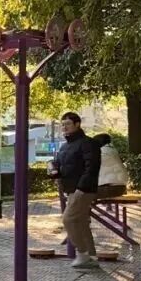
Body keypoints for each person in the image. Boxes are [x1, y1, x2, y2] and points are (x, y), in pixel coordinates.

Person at [48, 112, 101, 268]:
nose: (64, 127)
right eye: (63, 124)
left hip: (83, 190)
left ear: (77, 124)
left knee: (68, 219)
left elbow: (91, 168)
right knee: (81, 222)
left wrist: (81, 188)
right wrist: (53, 169)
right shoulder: (64, 146)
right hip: (71, 189)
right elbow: (59, 166)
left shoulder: (88, 143)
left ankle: (82, 254)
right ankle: (91, 256)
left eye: (68, 124)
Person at [93, 134, 129, 199]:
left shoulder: (100, 153)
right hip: (121, 188)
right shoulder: (113, 151)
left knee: (80, 194)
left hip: (108, 189)